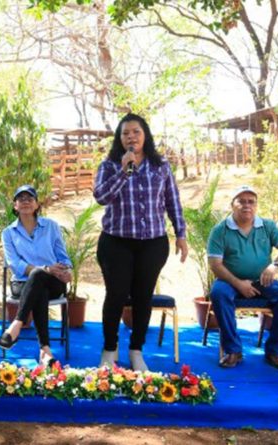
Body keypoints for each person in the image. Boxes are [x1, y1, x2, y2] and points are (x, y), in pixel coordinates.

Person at [92, 113, 188, 371]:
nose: (131, 137)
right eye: (125, 133)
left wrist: (181, 234)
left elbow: (172, 201)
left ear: (145, 134)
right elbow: (100, 197)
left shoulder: (161, 165)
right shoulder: (110, 165)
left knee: (144, 297)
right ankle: (110, 349)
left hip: (153, 243)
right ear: (119, 138)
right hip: (116, 243)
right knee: (116, 296)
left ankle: (136, 350)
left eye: (135, 132)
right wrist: (124, 171)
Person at [207, 185, 278, 370]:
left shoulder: (267, 226)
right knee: (219, 294)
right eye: (241, 201)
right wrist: (239, 284)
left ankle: (275, 351)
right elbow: (215, 264)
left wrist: (274, 266)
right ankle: (233, 351)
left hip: (262, 280)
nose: (247, 205)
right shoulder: (220, 230)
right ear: (232, 205)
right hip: (229, 280)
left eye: (251, 202)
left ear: (256, 206)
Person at [0, 185, 73, 366]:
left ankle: (16, 326)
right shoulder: (8, 233)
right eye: (20, 199)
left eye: (29, 198)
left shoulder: (51, 226)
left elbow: (63, 257)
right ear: (15, 206)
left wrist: (67, 271)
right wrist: (44, 269)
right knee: (39, 286)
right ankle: (45, 351)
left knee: (40, 280)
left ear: (37, 204)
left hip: (54, 282)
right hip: (22, 283)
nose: (25, 202)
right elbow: (15, 265)